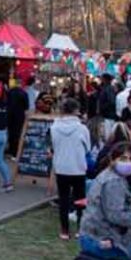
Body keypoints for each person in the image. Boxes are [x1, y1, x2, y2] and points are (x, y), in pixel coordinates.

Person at [51, 98, 90, 240]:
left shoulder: (54, 127)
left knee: (63, 199)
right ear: (76, 111)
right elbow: (88, 148)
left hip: (61, 166)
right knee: (80, 199)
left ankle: (64, 230)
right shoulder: (82, 128)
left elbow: (53, 146)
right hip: (78, 167)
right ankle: (80, 228)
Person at [7, 79, 29, 158]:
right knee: (18, 133)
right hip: (20, 116)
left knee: (11, 133)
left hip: (9, 115)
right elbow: (26, 107)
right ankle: (16, 151)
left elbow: (6, 103)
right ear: (21, 84)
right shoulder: (24, 93)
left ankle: (11, 149)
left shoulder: (9, 92)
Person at [98, 74, 117, 141]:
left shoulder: (108, 89)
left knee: (107, 135)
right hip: (107, 115)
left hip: (108, 116)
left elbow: (111, 102)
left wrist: (102, 108)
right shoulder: (106, 88)